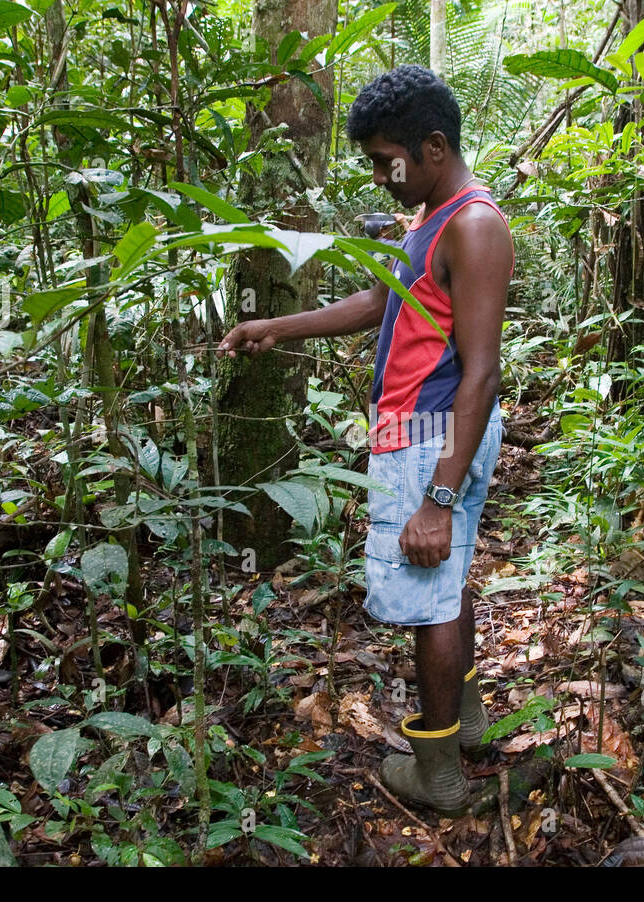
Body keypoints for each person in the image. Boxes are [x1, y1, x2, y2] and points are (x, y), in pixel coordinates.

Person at [219, 64, 514, 813]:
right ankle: (468, 724)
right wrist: (275, 327)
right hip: (416, 432)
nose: (381, 176)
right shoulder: (429, 218)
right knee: (442, 589)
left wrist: (438, 499)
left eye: (388, 161)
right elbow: (377, 302)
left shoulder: (475, 225)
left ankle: (438, 773)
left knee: (427, 600)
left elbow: (481, 373)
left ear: (434, 148)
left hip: (432, 434)